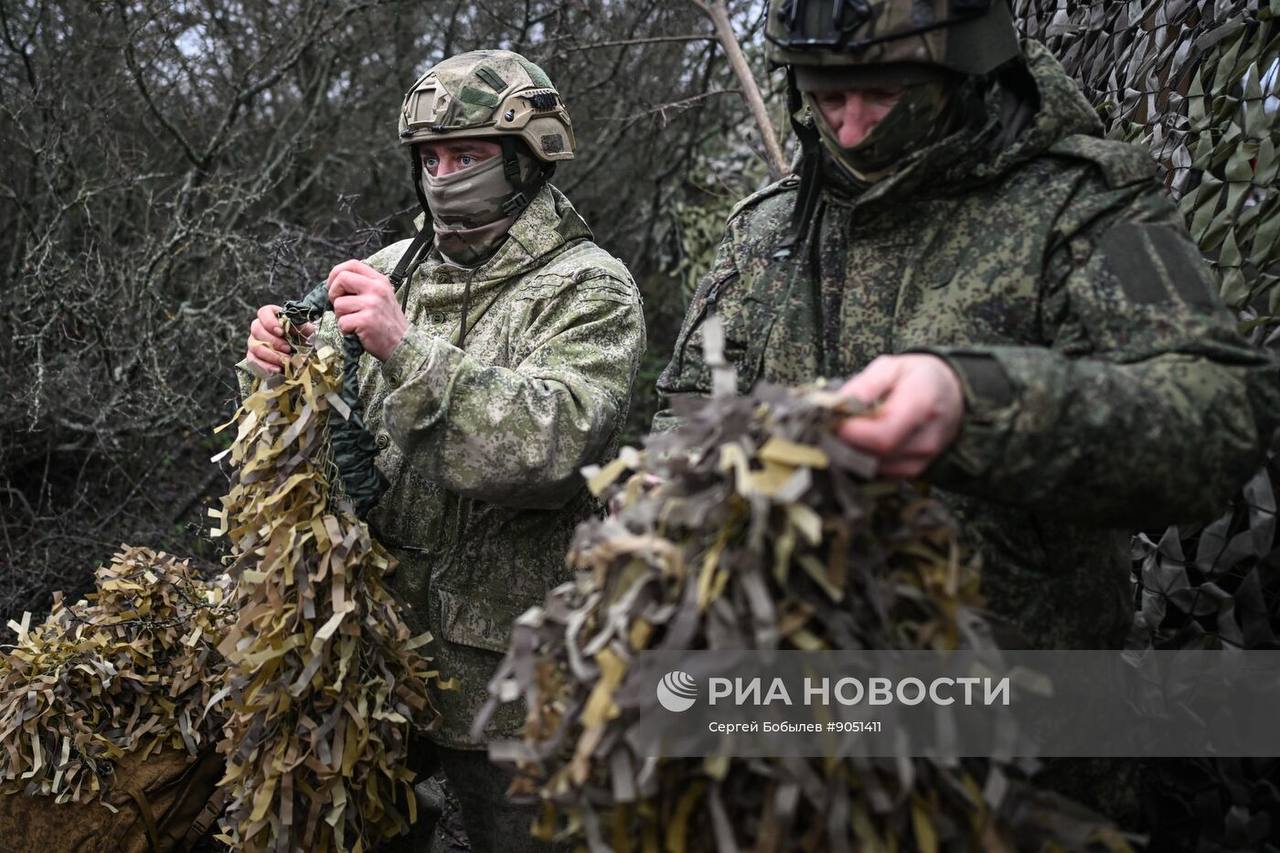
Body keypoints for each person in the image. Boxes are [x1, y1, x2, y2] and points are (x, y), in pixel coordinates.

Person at [653, 0, 1278, 817]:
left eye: (882, 96)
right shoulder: (770, 228)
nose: (847, 131)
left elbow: (1218, 417)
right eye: (825, 97)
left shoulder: (1080, 206)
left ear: (966, 70)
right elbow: (688, 413)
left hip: (1017, 748)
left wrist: (975, 404)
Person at [242, 49, 645, 852]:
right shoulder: (395, 269)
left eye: (468, 157)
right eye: (431, 158)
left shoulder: (590, 289)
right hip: (373, 653)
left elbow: (545, 448)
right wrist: (271, 369)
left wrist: (404, 349)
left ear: (528, 157)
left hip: (513, 671)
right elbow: (317, 440)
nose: (445, 175)